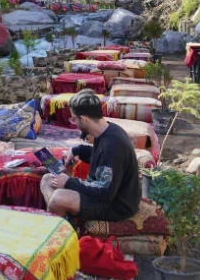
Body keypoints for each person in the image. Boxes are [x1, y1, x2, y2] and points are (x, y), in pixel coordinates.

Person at [41, 89, 141, 221]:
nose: (74, 123)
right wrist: (77, 150)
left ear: (83, 119)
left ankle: (61, 230)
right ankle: (64, 219)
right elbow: (99, 156)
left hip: (115, 205)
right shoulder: (108, 130)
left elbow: (105, 192)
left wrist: (69, 182)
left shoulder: (112, 145)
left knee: (58, 198)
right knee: (47, 180)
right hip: (104, 193)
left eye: (73, 119)